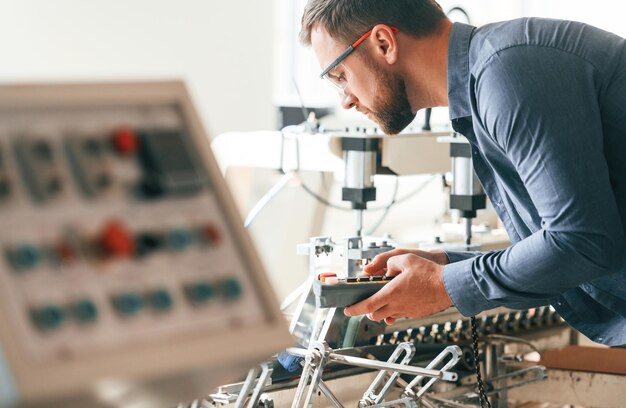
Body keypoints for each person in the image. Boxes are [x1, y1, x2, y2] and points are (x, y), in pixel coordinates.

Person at [300, 0, 626, 346]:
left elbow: (582, 244)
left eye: (340, 76)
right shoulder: (492, 75)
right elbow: (563, 258)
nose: (345, 100)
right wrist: (444, 267)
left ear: (384, 43)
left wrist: (445, 285)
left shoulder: (507, 73)